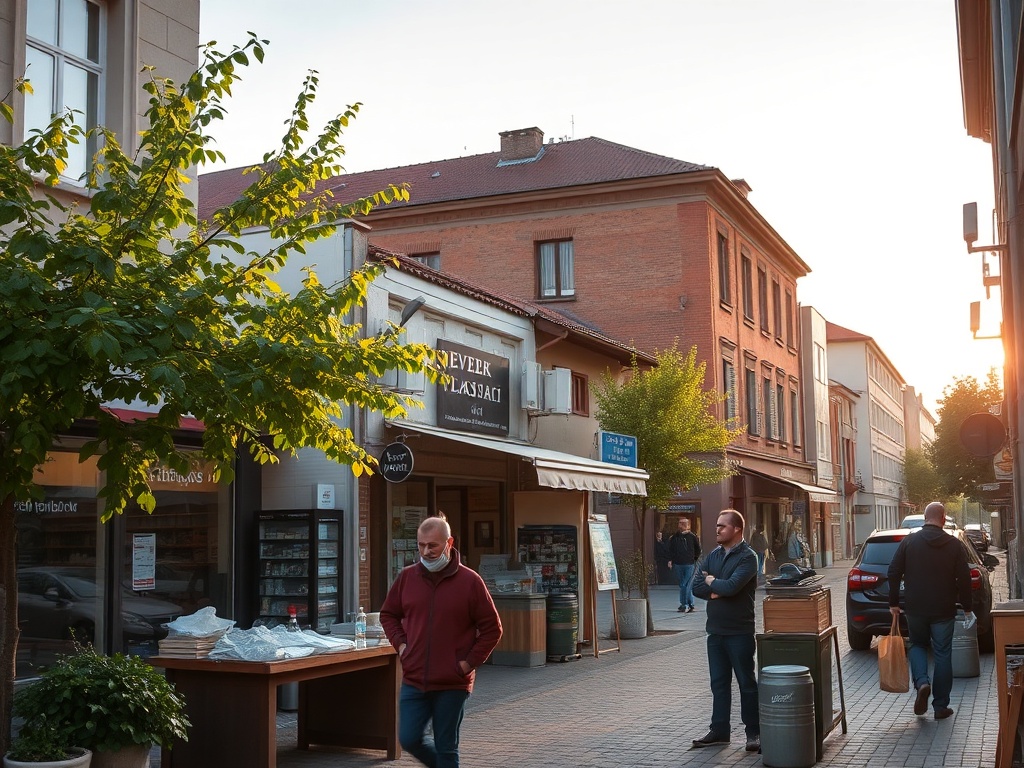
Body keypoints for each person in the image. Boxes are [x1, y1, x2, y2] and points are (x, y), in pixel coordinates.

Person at [380, 515, 503, 767]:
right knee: (409, 738)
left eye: (432, 545)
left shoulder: (470, 582)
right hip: (414, 679)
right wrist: (402, 646)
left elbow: (492, 629)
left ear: (449, 543)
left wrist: (467, 664)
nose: (426, 551)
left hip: (452, 683)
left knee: (446, 747)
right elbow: (388, 615)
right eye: (421, 545)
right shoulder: (407, 578)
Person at [887, 501, 974, 721]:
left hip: (915, 607)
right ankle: (941, 706)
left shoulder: (910, 541)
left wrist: (894, 602)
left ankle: (922, 683)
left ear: (925, 518)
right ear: (943, 518)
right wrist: (967, 607)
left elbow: (893, 571)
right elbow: (964, 578)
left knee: (917, 645)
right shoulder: (953, 545)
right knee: (943, 653)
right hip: (943, 609)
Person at [690, 509, 760, 752]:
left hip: (739, 632)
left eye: (722, 526)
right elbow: (695, 587)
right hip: (715, 631)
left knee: (746, 683)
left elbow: (731, 587)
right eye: (717, 525)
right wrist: (714, 588)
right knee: (718, 684)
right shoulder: (713, 555)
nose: (717, 529)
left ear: (736, 529)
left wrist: (712, 582)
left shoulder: (748, 557)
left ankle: (754, 733)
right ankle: (720, 731)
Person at [667, 517, 701, 612]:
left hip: (689, 564)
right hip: (678, 563)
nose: (681, 525)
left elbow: (698, 549)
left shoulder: (692, 536)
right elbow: (671, 549)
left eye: (683, 524)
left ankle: (684, 604)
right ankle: (690, 604)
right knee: (684, 584)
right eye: (680, 523)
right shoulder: (675, 537)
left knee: (684, 584)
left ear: (687, 525)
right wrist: (671, 560)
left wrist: (694, 558)